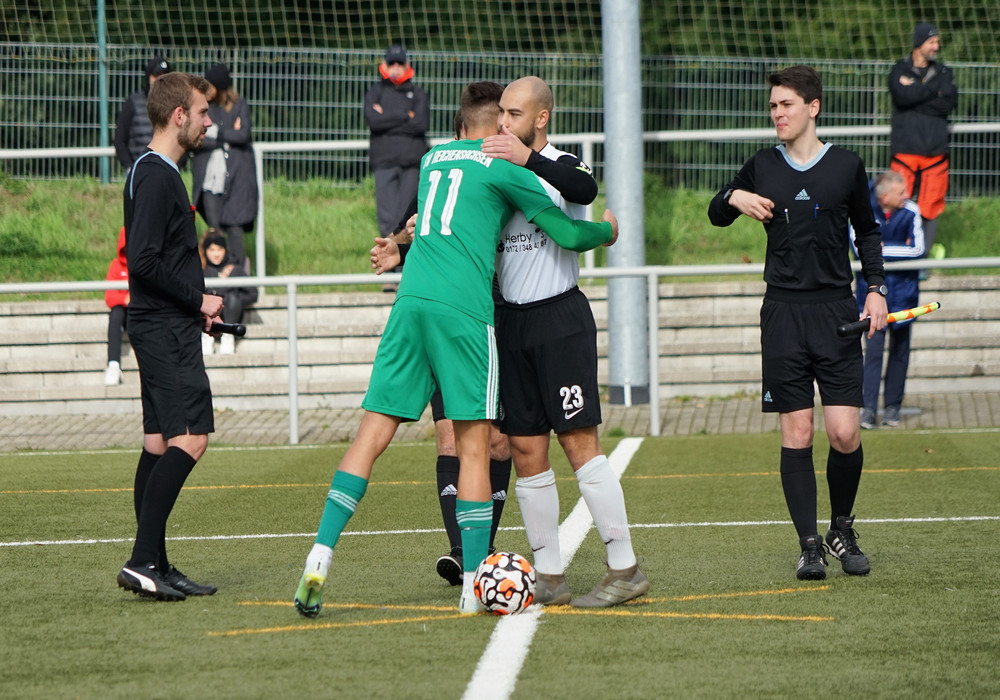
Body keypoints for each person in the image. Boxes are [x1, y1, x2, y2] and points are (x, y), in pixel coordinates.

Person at [294, 81, 618, 618]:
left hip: (409, 304)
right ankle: (472, 583)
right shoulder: (505, 168)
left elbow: (430, 220)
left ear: (458, 125)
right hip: (465, 314)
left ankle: (320, 554)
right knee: (474, 447)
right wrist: (606, 231)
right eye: (505, 123)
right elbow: (568, 233)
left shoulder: (431, 158)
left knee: (371, 436)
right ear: (496, 128)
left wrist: (396, 245)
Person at [708, 65, 888, 581]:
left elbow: (868, 232)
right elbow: (716, 213)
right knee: (798, 432)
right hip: (783, 313)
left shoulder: (847, 166)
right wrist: (731, 197)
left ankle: (842, 528)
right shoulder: (762, 164)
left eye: (785, 104)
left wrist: (875, 290)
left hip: (836, 311)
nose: (777, 114)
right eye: (772, 106)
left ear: (813, 107)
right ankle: (809, 545)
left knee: (845, 433)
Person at [481, 76, 648, 607]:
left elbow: (585, 193)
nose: (503, 122)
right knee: (526, 448)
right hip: (511, 325)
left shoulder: (565, 163)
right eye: (500, 114)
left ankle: (625, 567)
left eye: (513, 113)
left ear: (540, 118)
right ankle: (549, 576)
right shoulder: (493, 172)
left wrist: (527, 160)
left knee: (579, 445)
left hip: (560, 319)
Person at [116, 72, 225, 602]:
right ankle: (141, 559)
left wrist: (195, 308)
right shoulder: (159, 176)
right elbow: (143, 261)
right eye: (203, 112)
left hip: (161, 323)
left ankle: (154, 562)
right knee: (192, 438)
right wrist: (196, 300)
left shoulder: (149, 171)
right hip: (162, 329)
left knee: (159, 442)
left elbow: (159, 260)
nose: (211, 121)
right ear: (178, 115)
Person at [853, 171, 925, 430]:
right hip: (872, 297)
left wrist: (881, 250)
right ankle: (868, 409)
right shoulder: (861, 209)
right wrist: (887, 249)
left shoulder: (911, 210)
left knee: (900, 351)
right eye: (901, 193)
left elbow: (918, 250)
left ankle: (893, 407)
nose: (907, 197)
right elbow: (857, 246)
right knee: (872, 353)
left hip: (905, 294)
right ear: (884, 197)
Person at [889, 22, 957, 262]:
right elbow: (901, 97)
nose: (936, 47)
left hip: (934, 152)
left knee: (931, 205)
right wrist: (931, 91)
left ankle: (923, 259)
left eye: (937, 42)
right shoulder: (899, 69)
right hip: (905, 150)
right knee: (897, 201)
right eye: (932, 42)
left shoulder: (945, 72)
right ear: (919, 44)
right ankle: (896, 254)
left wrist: (916, 90)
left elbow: (947, 103)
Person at [191, 63, 258, 269]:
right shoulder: (204, 106)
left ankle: (237, 274)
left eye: (209, 86)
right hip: (210, 179)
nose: (205, 90)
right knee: (215, 229)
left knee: (235, 224)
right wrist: (228, 136)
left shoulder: (239, 104)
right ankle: (215, 275)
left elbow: (243, 135)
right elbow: (197, 138)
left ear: (218, 86)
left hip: (237, 177)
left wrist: (217, 134)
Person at [364, 44, 430, 242]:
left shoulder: (418, 93)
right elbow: (374, 121)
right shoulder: (374, 92)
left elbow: (421, 124)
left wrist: (387, 117)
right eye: (391, 63)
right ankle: (388, 262)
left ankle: (403, 263)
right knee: (386, 218)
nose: (395, 67)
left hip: (412, 164)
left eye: (399, 63)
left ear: (406, 65)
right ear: (384, 64)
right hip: (384, 163)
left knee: (408, 218)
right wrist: (405, 115)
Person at [200, 229, 258, 355]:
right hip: (207, 318)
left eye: (219, 249)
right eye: (212, 250)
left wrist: (227, 300)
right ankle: (206, 337)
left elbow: (253, 294)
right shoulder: (201, 271)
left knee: (232, 298)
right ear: (205, 251)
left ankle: (228, 336)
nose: (216, 254)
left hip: (230, 316)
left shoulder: (235, 270)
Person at [114, 55, 173, 171]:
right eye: (157, 76)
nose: (160, 81)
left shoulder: (175, 105)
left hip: (167, 169)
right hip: (138, 168)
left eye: (165, 77)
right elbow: (120, 140)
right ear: (149, 77)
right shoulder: (133, 102)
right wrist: (130, 167)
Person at [104, 226, 129, 386]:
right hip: (122, 312)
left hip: (139, 312)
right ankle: (113, 364)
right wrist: (126, 298)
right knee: (116, 314)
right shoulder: (116, 266)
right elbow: (110, 296)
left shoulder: (144, 264)